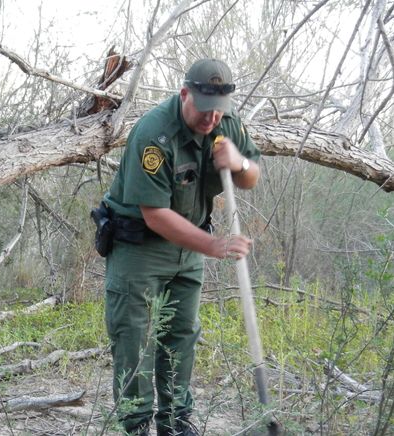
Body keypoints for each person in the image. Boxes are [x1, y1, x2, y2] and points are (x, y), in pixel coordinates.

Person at [100, 58, 260, 435]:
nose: (210, 121)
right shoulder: (154, 133)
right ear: (184, 94)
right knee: (132, 337)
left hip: (190, 246)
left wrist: (238, 162)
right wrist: (215, 245)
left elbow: (252, 176)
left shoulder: (226, 123)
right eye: (204, 110)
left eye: (217, 112)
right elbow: (155, 214)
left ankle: (174, 422)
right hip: (140, 246)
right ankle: (135, 424)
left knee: (182, 334)